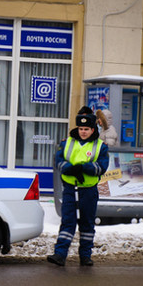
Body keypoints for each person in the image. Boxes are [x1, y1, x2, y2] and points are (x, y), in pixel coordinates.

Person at [48, 108, 109, 267]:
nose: (83, 132)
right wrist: (70, 169)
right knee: (68, 221)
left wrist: (83, 168)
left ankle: (85, 256)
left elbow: (102, 166)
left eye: (86, 129)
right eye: (81, 129)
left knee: (87, 223)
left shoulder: (101, 146)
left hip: (88, 190)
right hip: (70, 188)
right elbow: (58, 161)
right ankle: (60, 254)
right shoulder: (66, 143)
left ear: (92, 129)